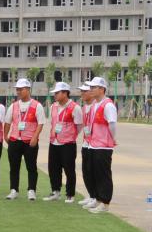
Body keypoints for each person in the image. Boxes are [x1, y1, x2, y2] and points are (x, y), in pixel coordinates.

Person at [3, 78, 45, 201]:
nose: (18, 92)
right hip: (15, 140)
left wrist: (35, 137)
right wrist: (5, 135)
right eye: (17, 89)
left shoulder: (37, 105)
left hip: (29, 141)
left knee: (31, 167)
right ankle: (14, 190)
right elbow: (7, 122)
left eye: (21, 89)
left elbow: (40, 123)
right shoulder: (13, 106)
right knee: (14, 167)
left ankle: (31, 190)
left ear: (28, 90)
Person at [44, 81, 83, 203]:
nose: (55, 95)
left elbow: (79, 126)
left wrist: (70, 135)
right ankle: (55, 191)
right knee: (53, 168)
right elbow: (52, 122)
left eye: (57, 93)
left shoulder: (75, 108)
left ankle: (70, 194)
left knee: (69, 169)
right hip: (54, 142)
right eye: (55, 93)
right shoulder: (53, 107)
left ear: (65, 93)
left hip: (68, 143)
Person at [82, 76, 117, 214]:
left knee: (103, 175)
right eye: (90, 87)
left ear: (102, 89)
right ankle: (97, 199)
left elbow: (112, 124)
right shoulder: (95, 104)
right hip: (92, 144)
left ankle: (105, 203)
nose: (90, 89)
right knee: (94, 173)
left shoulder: (108, 105)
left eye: (93, 87)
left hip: (103, 146)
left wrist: (112, 138)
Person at [77, 83, 96, 206]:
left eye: (85, 91)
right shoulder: (83, 108)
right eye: (81, 91)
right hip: (86, 143)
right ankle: (90, 195)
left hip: (95, 144)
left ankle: (96, 197)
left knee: (93, 171)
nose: (82, 94)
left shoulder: (96, 106)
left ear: (91, 93)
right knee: (86, 170)